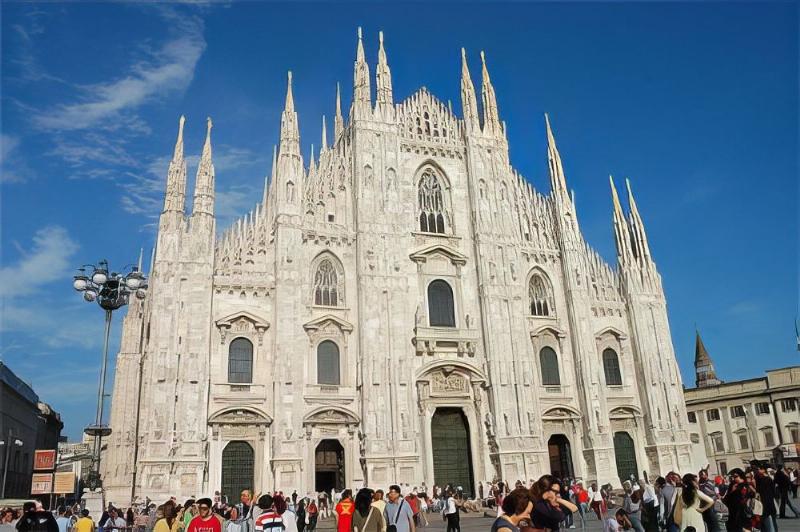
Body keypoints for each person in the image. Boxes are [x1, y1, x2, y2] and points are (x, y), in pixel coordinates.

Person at [753, 462, 778, 532]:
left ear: (764, 470)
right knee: (766, 524)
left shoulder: (767, 479)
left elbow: (771, 493)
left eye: (759, 469)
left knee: (770, 524)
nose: (758, 471)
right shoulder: (760, 479)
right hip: (765, 504)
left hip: (767, 504)